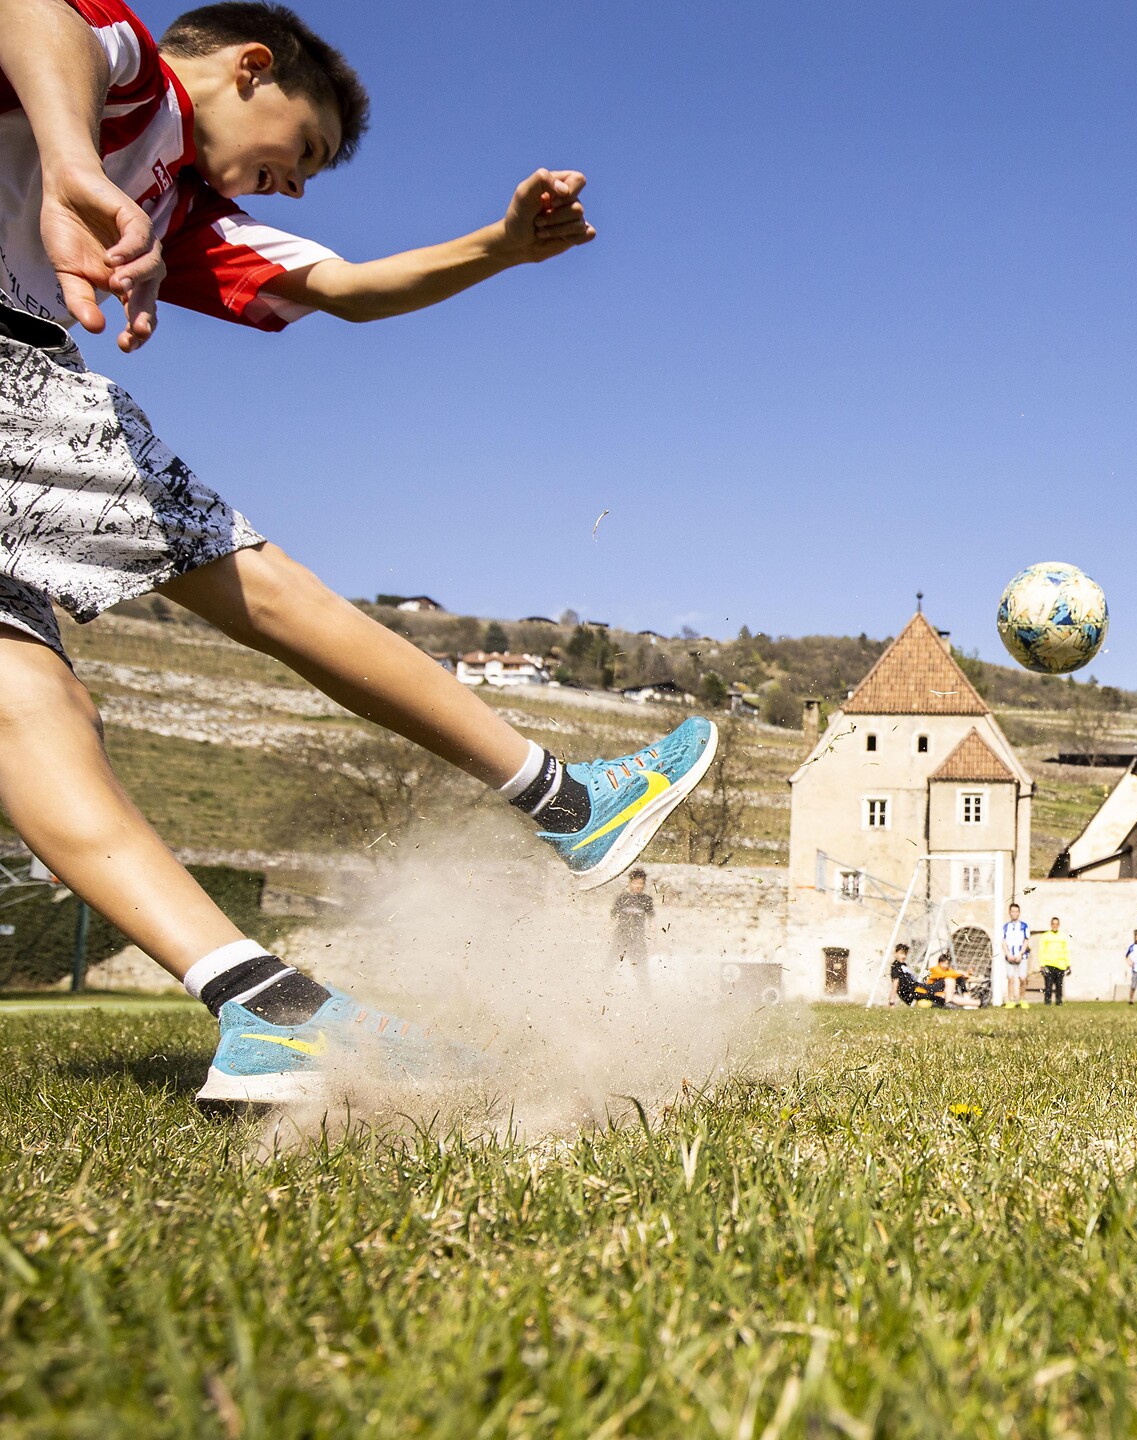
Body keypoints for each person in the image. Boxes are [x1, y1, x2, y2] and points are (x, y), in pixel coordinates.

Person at [0, 0, 717, 1105]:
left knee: (28, 706)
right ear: (251, 68)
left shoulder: (184, 210)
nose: (292, 186)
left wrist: (499, 246)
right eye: (304, 155)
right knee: (255, 579)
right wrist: (64, 161)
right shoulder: (130, 82)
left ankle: (264, 1007)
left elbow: (340, 289)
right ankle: (567, 799)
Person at [610, 868, 655, 967]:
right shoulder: (622, 898)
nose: (638, 886)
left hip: (637, 939)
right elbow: (612, 918)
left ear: (644, 884)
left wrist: (653, 939)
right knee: (609, 965)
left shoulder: (647, 900)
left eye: (641, 883)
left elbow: (652, 921)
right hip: (620, 937)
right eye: (635, 883)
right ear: (630, 883)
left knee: (641, 969)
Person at [999, 902, 1032, 1008]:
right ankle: (1011, 1000)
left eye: (1016, 911)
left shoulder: (1023, 926)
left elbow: (1026, 941)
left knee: (1022, 978)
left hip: (1021, 956)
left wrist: (1020, 954)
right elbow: (1003, 941)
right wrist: (1008, 954)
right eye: (1012, 911)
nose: (1014, 913)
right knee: (1010, 978)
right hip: (1009, 956)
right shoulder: (1006, 927)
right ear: (1009, 912)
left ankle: (1022, 999)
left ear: (1019, 913)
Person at [1034, 916, 1071, 1005]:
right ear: (1051, 925)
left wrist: (1068, 964)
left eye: (1056, 924)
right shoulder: (1045, 936)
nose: (1055, 926)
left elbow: (1066, 950)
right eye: (1053, 924)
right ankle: (1047, 1002)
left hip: (1060, 964)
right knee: (1048, 985)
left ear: (1058, 925)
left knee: (1059, 985)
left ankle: (1059, 1001)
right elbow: (1041, 950)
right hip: (1048, 964)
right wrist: (1042, 964)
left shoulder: (1062, 936)